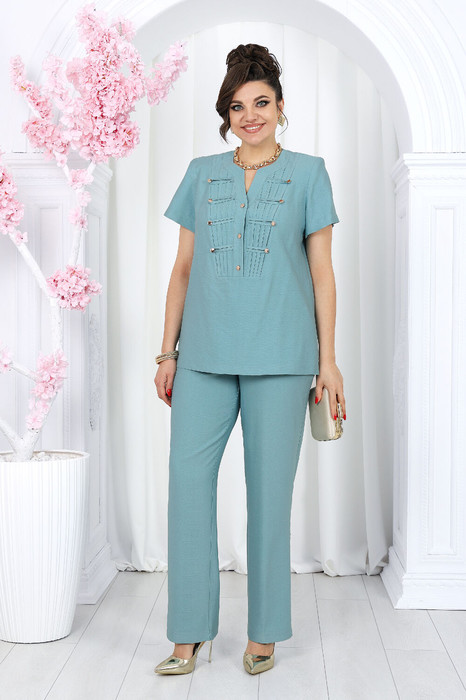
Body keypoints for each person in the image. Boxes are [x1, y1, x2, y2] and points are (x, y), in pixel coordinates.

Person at [153, 43, 346, 676]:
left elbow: (322, 273)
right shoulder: (201, 173)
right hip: (203, 357)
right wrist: (167, 352)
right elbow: (182, 270)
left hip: (283, 357)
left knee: (269, 497)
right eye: (238, 107)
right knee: (187, 489)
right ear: (226, 115)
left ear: (281, 106)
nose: (251, 115)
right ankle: (188, 633)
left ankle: (263, 633)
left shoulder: (310, 173)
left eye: (261, 102)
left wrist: (329, 361)